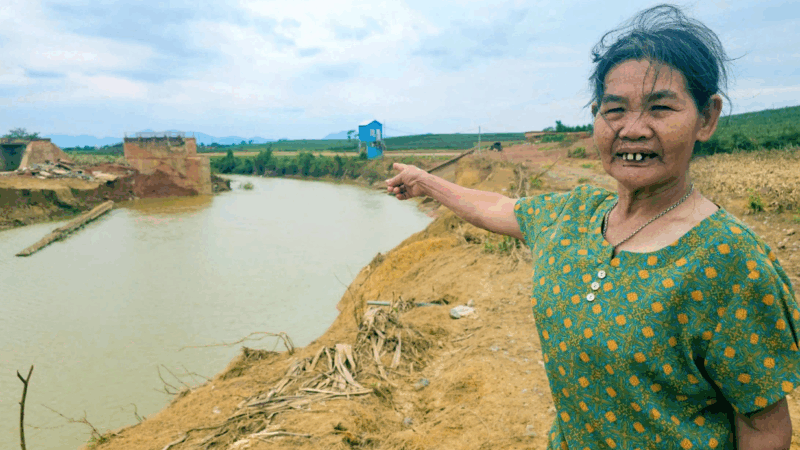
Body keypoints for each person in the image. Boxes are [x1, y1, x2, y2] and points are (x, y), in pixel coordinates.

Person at [385, 4, 799, 449]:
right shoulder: (572, 216)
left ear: (707, 117)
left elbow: (764, 428)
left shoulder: (730, 261)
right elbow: (498, 207)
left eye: (660, 108)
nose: (633, 130)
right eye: (614, 109)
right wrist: (426, 182)